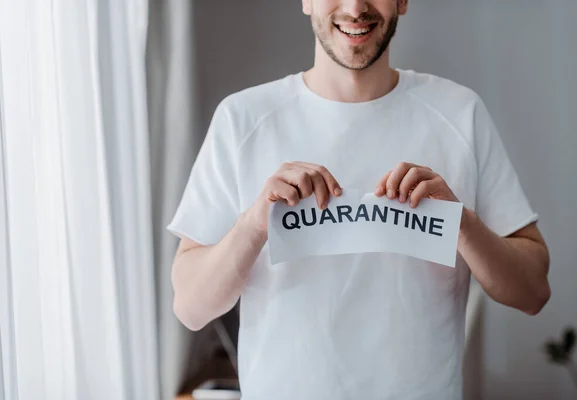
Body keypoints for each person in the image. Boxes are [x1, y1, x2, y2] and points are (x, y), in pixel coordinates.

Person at [167, 0, 551, 398]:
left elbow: (533, 292)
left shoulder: (459, 114)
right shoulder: (242, 120)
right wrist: (252, 226)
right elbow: (191, 307)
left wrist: (462, 225)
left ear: (402, 1)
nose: (355, 7)